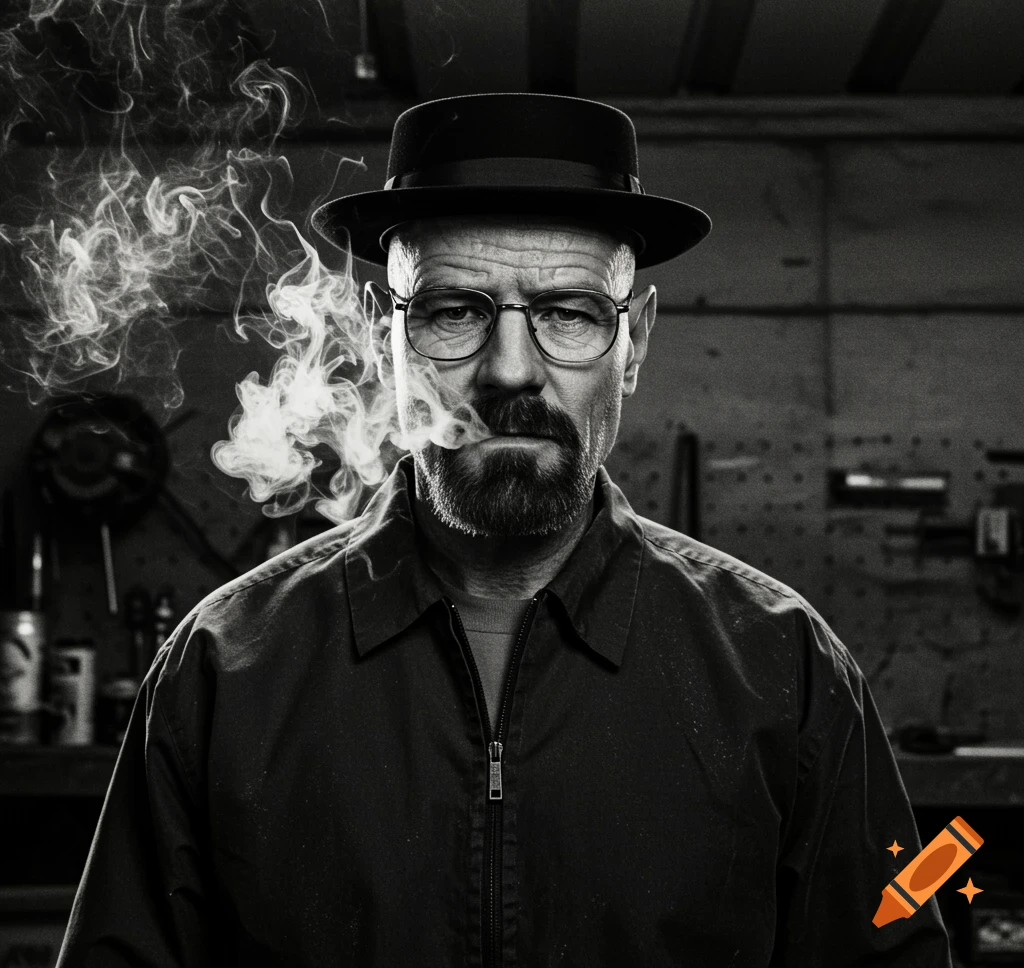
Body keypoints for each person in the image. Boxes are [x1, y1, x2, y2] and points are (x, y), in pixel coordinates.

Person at [57, 93, 953, 967]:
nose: (512, 371)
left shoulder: (783, 666)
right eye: (455, 312)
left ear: (633, 342)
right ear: (383, 336)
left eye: (569, 313)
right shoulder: (226, 667)